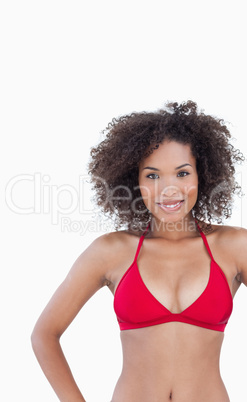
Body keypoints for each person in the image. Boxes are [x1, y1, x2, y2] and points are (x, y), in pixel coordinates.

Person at [31, 100, 247, 402]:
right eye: (153, 175)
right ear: (134, 181)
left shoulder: (235, 247)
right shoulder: (110, 251)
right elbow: (44, 334)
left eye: (182, 174)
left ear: (203, 175)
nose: (168, 189)